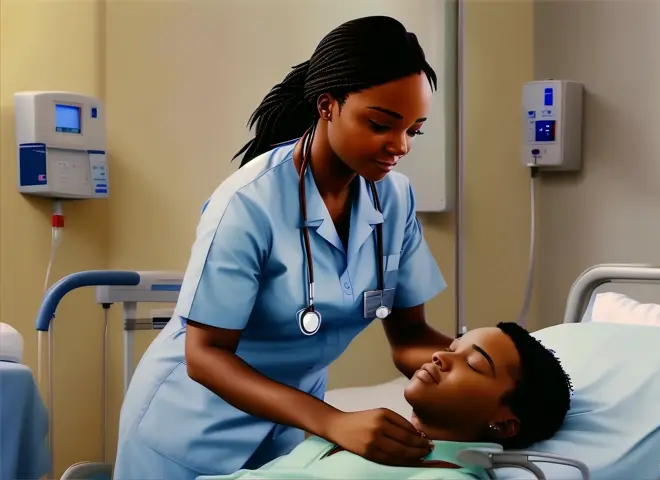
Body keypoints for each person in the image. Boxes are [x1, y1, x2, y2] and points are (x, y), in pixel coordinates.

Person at [113, 15, 456, 480]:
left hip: (289, 431)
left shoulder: (396, 199)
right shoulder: (249, 203)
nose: (399, 147)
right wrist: (332, 421)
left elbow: (410, 339)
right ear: (328, 105)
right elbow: (206, 354)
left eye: (414, 130)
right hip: (190, 429)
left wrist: (477, 363)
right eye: (380, 124)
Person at [194, 322, 575, 480]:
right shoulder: (363, 433)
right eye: (452, 347)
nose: (442, 357)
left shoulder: (445, 477)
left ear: (505, 423)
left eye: (473, 364)